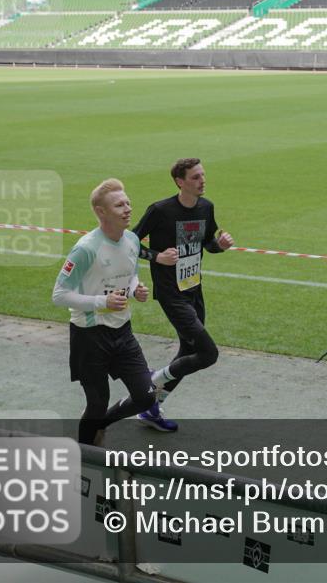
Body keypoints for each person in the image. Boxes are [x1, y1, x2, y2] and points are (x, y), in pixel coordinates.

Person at [132, 158, 234, 432]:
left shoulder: (206, 207)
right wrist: (157, 257)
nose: (202, 181)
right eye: (195, 177)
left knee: (188, 352)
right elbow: (129, 243)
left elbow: (208, 242)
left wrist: (219, 245)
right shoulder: (160, 210)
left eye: (203, 175)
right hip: (170, 293)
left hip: (194, 289)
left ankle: (151, 407)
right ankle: (151, 383)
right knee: (207, 352)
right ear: (180, 181)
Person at [53, 179, 156, 446]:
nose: (127, 208)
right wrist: (103, 302)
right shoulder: (86, 249)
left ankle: (102, 425)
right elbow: (60, 294)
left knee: (146, 396)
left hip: (123, 332)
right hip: (90, 336)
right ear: (101, 212)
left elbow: (130, 275)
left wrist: (136, 291)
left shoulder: (132, 240)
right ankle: (85, 459)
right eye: (119, 204)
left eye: (128, 203)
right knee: (96, 403)